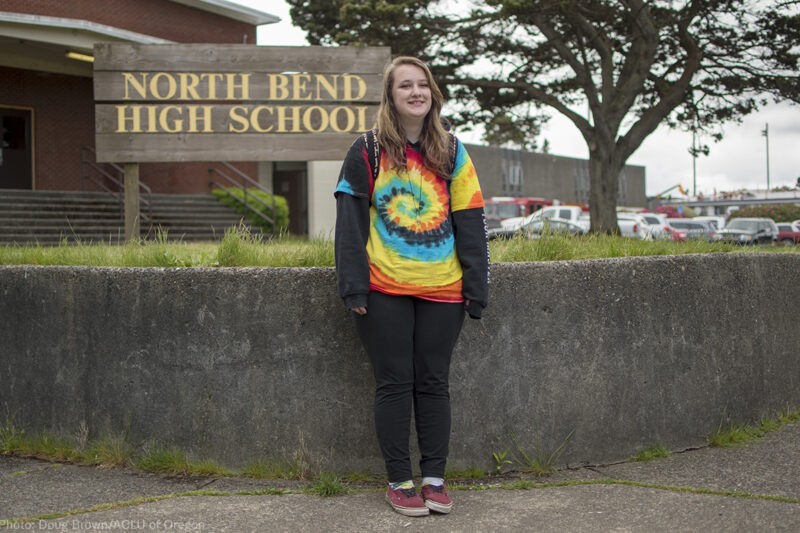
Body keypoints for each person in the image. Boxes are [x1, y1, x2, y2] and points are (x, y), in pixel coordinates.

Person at [334, 56, 489, 517]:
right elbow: (349, 223)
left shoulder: (453, 151)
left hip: (444, 289)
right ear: (391, 95)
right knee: (395, 384)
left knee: (434, 383)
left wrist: (476, 288)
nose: (417, 92)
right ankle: (400, 482)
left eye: (423, 84)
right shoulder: (367, 149)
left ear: (433, 93)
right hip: (384, 290)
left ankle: (435, 480)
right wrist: (353, 288)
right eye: (406, 86)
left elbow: (472, 222)